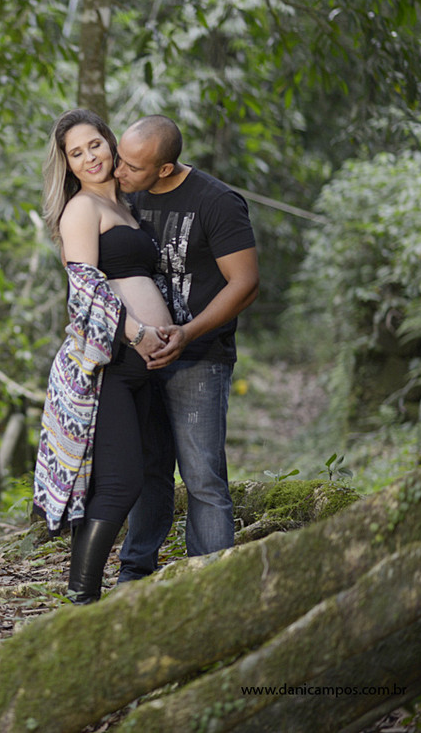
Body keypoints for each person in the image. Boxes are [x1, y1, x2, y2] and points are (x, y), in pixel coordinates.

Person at [31, 109, 172, 604]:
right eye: (76, 153)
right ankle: (81, 601)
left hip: (144, 369)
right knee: (119, 483)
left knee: (143, 476)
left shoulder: (132, 207)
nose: (89, 157)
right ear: (67, 165)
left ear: (111, 145)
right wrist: (137, 332)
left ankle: (115, 586)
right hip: (106, 366)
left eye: (95, 145)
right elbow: (85, 284)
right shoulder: (82, 210)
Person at [112, 115, 260, 581]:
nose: (119, 172)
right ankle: (136, 575)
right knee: (147, 471)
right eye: (118, 158)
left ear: (166, 168)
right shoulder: (121, 196)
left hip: (198, 358)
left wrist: (188, 333)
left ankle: (212, 582)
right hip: (137, 357)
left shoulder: (215, 202)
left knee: (202, 477)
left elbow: (246, 283)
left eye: (132, 167)